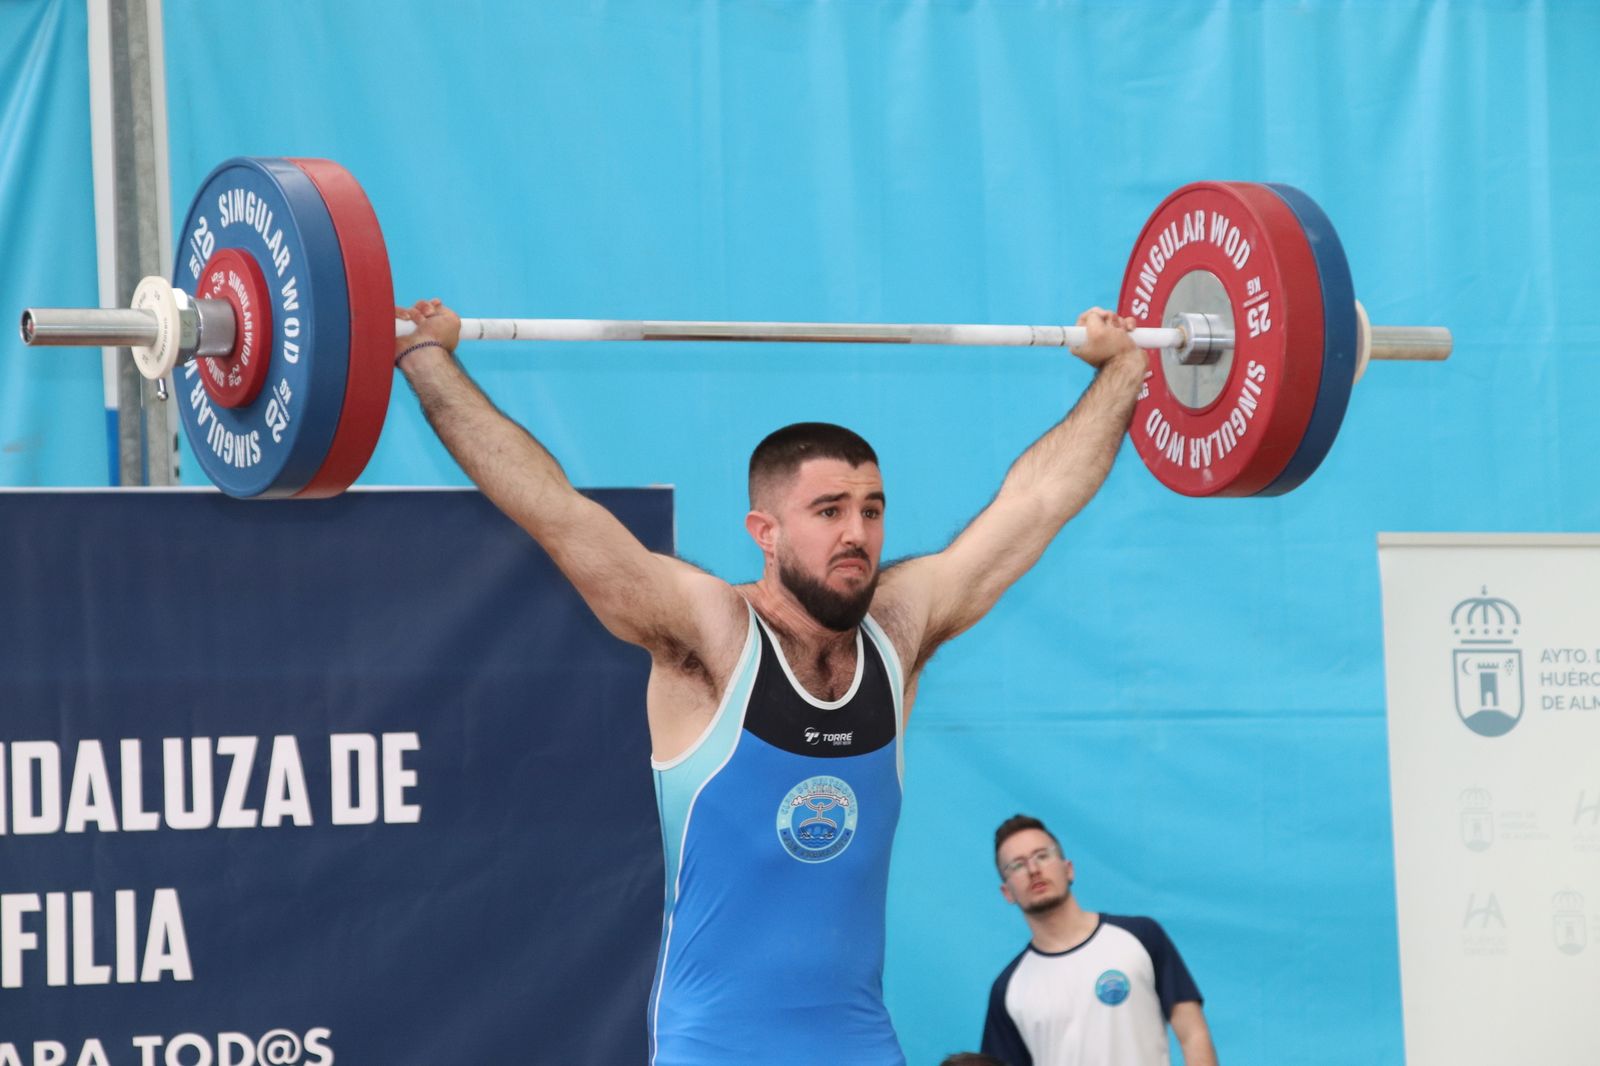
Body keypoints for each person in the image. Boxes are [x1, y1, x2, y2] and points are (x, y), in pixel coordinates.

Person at [393, 299, 1145, 1066]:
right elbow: (552, 511)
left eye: (871, 510)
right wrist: (425, 359)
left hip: (856, 1040)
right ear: (766, 532)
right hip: (717, 1046)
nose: (857, 533)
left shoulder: (898, 630)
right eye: (829, 511)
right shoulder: (711, 637)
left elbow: (1036, 504)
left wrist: (1123, 373)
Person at [982, 815, 1218, 1066]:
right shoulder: (1009, 989)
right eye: (1017, 865)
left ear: (1068, 869)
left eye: (1042, 855)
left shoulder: (1141, 938)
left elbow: (1194, 1035)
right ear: (1006, 892)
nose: (1033, 869)